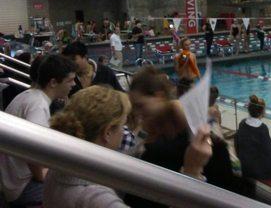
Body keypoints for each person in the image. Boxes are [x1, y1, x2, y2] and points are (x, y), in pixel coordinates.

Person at [44, 85, 213, 208]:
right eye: (123, 125)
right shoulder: (96, 198)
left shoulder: (61, 167)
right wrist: (193, 172)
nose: (125, 130)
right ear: (108, 132)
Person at [124, 67, 219, 207]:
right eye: (135, 107)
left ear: (159, 96)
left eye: (140, 106)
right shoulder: (154, 142)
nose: (137, 113)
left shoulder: (170, 145)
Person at [0, 55, 76, 206]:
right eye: (70, 80)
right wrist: (43, 175)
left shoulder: (28, 96)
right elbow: (32, 148)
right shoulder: (38, 105)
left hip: (10, 180)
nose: (73, 84)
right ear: (53, 82)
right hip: (22, 186)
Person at [235, 95, 271, 181]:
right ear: (262, 112)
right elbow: (270, 153)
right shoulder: (262, 128)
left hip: (244, 166)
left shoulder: (242, 123)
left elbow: (237, 144)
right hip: (257, 171)